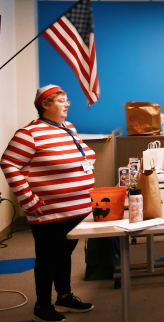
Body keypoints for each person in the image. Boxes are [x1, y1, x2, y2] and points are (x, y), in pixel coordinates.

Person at [1, 86, 95, 322]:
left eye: (67, 100)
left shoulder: (68, 128)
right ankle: (42, 305)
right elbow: (9, 163)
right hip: (49, 212)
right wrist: (28, 201)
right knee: (47, 258)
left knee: (64, 255)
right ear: (45, 104)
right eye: (61, 100)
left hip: (77, 209)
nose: (67, 104)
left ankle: (64, 296)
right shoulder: (29, 133)